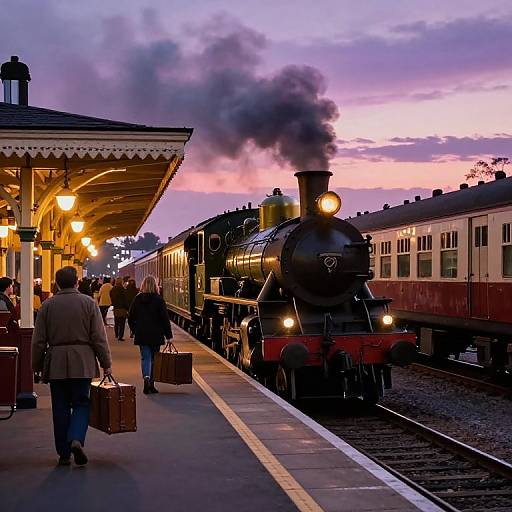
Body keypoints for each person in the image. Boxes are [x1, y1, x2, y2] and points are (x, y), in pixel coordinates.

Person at [31, 266, 112, 466]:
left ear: (57, 284)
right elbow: (98, 338)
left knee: (59, 407)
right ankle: (76, 438)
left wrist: (36, 365)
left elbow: (38, 341)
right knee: (82, 403)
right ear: (77, 282)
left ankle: (64, 453)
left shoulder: (47, 306)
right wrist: (106, 363)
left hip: (56, 361)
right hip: (82, 360)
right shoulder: (89, 303)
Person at [128, 275, 172, 395]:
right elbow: (165, 319)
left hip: (142, 333)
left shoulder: (137, 299)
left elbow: (130, 317)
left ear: (143, 285)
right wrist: (169, 336)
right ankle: (152, 384)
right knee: (154, 359)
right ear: (155, 286)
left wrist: (134, 330)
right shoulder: (159, 300)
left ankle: (146, 378)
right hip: (156, 334)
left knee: (145, 358)